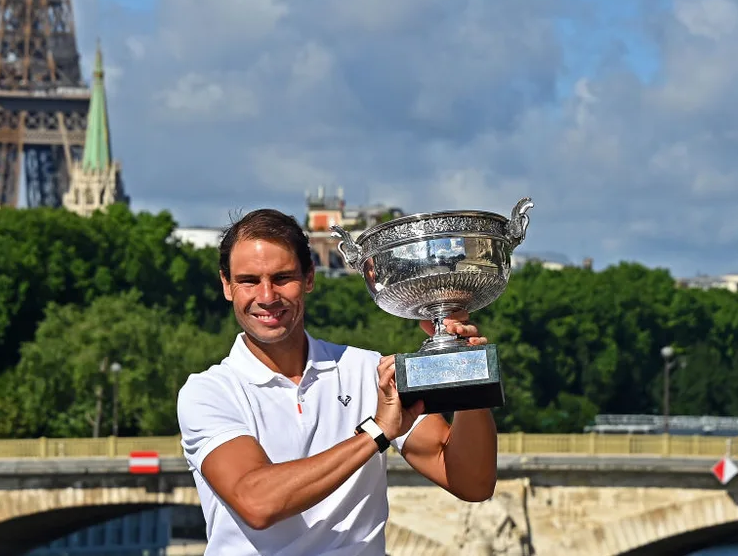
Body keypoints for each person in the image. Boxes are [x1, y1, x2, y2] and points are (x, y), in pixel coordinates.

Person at [176, 209, 498, 555]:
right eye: (249, 280)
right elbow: (257, 502)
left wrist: (467, 376)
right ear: (227, 286)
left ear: (310, 278)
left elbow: (472, 482)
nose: (267, 296)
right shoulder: (208, 391)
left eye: (283, 278)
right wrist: (376, 433)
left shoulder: (367, 370)